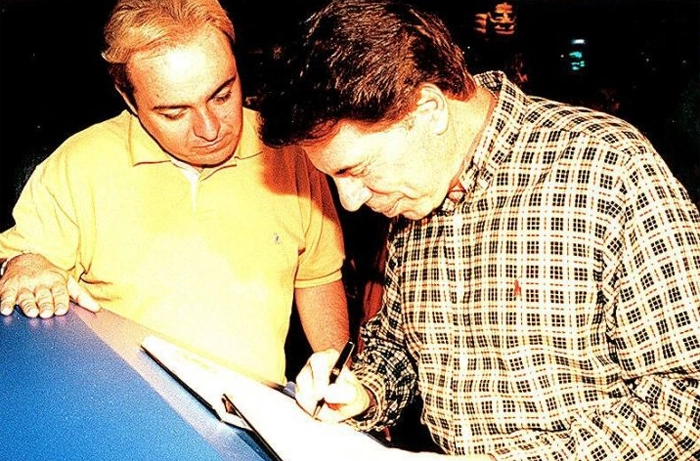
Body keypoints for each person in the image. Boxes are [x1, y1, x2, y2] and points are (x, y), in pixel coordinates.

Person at [256, 0, 700, 458]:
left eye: (357, 169)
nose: (350, 200)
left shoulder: (608, 169)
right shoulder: (414, 192)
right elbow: (401, 347)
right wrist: (363, 389)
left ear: (428, 110)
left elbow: (687, 402)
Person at [0, 0, 349, 387]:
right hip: (125, 407)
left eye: (222, 94)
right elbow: (22, 265)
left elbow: (318, 278)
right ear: (128, 98)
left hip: (255, 420)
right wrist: (24, 264)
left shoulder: (289, 151)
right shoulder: (78, 164)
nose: (210, 128)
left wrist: (340, 383)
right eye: (174, 112)